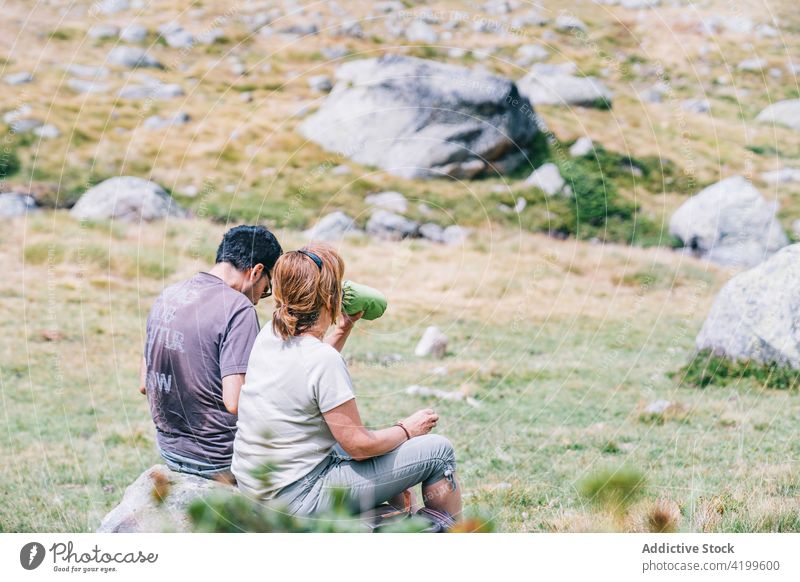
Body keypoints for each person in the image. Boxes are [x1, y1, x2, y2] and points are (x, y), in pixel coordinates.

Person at [231, 243, 462, 522]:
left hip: (258, 487)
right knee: (438, 451)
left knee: (382, 445)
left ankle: (399, 519)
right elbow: (359, 446)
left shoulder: (270, 334)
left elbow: (306, 369)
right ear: (330, 296)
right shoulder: (323, 360)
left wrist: (343, 327)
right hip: (299, 497)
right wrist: (408, 429)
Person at [139, 225, 282, 480]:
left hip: (170, 451)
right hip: (218, 459)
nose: (260, 299)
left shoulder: (169, 295)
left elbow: (144, 384)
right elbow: (235, 401)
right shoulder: (239, 309)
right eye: (266, 288)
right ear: (257, 271)